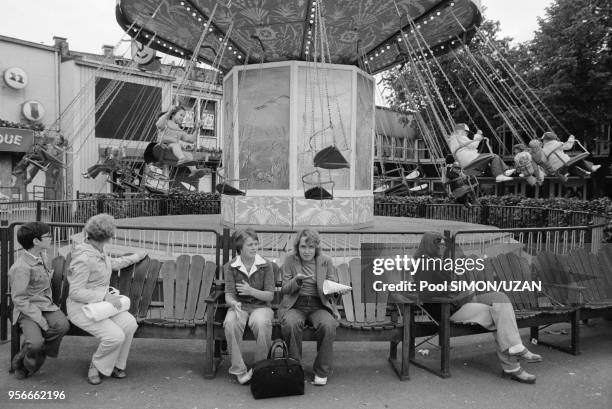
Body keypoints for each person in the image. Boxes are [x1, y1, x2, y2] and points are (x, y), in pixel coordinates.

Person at [412, 232, 542, 384]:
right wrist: (462, 289)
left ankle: (515, 347)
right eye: (438, 244)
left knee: (500, 298)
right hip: (449, 309)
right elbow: (434, 293)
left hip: (463, 301)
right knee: (498, 317)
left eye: (442, 244)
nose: (441, 246)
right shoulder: (423, 264)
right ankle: (513, 365)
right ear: (429, 245)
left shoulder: (439, 261)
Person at [67, 214, 147, 385]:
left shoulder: (98, 249)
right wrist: (104, 296)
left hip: (103, 306)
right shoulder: (83, 258)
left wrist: (136, 257)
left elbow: (112, 264)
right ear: (108, 237)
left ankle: (117, 364)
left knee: (130, 323)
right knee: (115, 336)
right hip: (82, 308)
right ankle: (96, 365)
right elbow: (75, 292)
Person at [280, 229, 348, 386]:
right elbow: (284, 289)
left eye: (311, 247)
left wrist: (337, 290)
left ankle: (322, 371)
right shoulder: (290, 260)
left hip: (319, 305)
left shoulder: (326, 261)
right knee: (291, 324)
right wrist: (296, 281)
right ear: (297, 246)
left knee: (329, 325)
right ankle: (295, 367)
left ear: (317, 247)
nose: (307, 251)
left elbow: (330, 287)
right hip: (295, 304)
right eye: (303, 247)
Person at [9, 222, 70, 379]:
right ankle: (26, 364)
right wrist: (40, 320)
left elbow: (40, 278)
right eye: (47, 236)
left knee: (62, 325)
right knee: (36, 343)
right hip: (26, 310)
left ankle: (26, 353)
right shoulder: (21, 268)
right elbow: (20, 299)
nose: (50, 238)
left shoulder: (42, 255)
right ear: (36, 241)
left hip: (45, 304)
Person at [222, 229, 274, 384]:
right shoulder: (230, 266)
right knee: (230, 323)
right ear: (240, 247)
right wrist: (233, 303)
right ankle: (239, 370)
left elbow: (269, 295)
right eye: (250, 245)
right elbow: (228, 294)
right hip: (240, 306)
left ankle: (259, 368)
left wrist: (251, 291)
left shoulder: (266, 265)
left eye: (256, 244)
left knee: (261, 323)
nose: (254, 247)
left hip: (261, 307)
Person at [448, 123, 515, 183]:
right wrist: (478, 135)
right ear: (461, 131)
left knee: (489, 161)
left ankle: (504, 172)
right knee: (494, 156)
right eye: (466, 132)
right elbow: (473, 145)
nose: (467, 134)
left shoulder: (453, 141)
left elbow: (468, 146)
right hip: (470, 159)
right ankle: (501, 174)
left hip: (464, 163)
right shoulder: (459, 137)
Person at [156, 106, 205, 178]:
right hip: (162, 147)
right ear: (173, 114)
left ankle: (194, 170)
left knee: (189, 155)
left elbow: (191, 139)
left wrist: (197, 129)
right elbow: (158, 124)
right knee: (175, 144)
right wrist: (168, 113)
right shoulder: (166, 123)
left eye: (184, 116)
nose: (182, 118)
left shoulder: (179, 130)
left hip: (171, 152)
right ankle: (182, 158)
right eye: (181, 115)